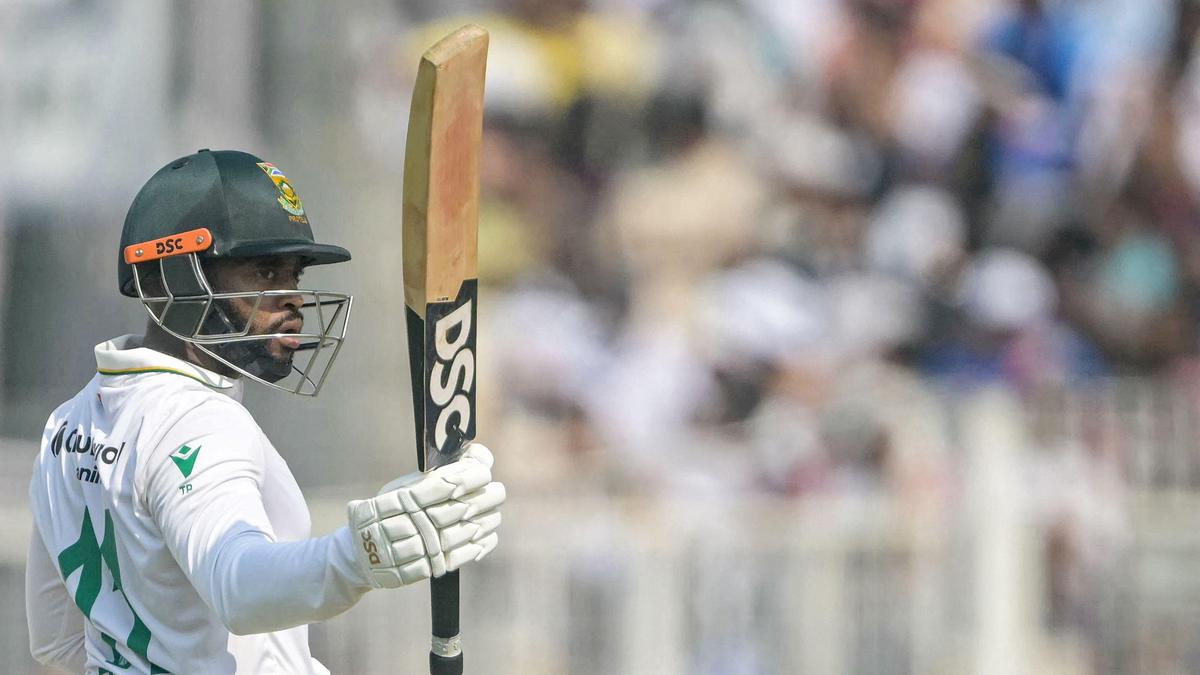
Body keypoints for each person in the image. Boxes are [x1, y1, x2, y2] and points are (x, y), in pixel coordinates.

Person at [24, 149, 505, 674]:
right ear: (170, 278)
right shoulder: (197, 420)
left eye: (293, 275)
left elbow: (56, 642)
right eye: (264, 271)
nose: (292, 298)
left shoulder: (65, 426)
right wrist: (358, 555)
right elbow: (238, 584)